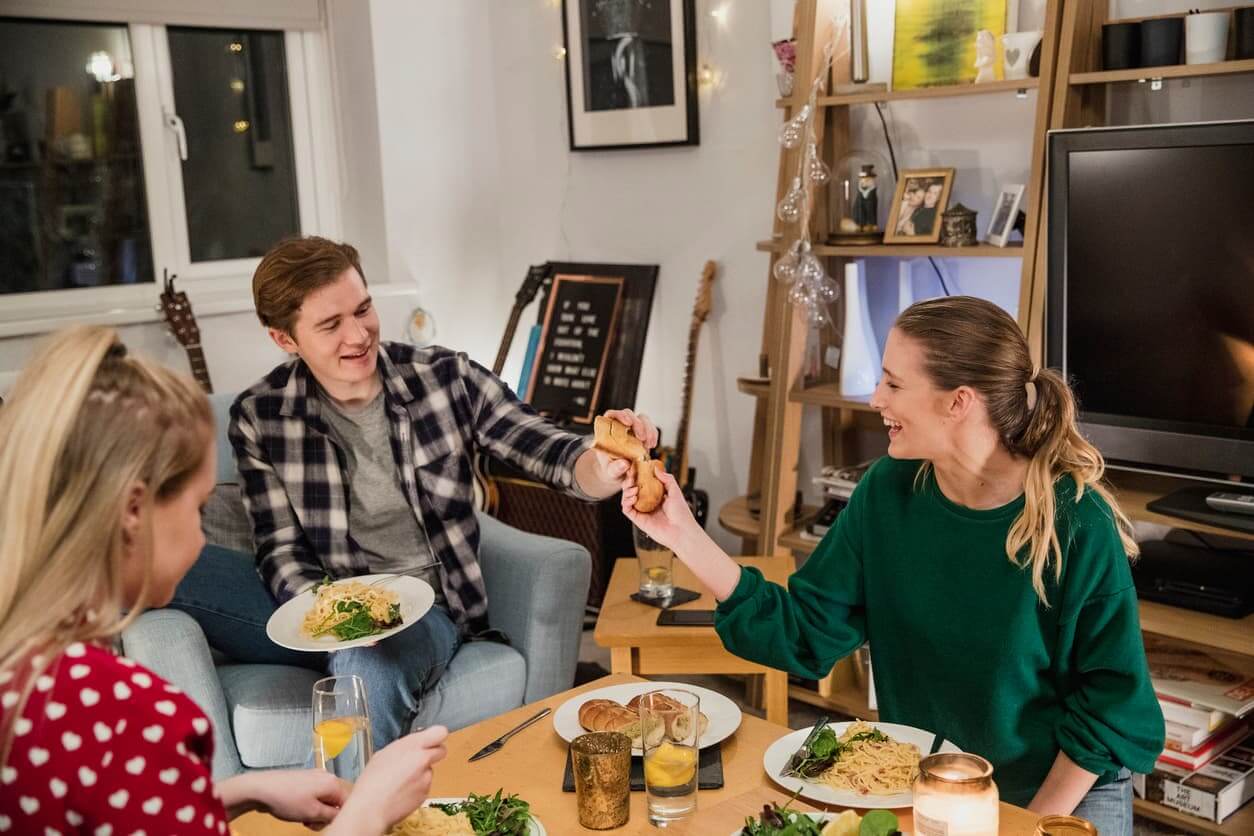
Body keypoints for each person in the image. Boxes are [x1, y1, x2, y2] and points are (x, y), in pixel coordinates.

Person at [621, 296, 1164, 835]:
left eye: (894, 384)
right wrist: (682, 535)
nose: (876, 397)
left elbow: (1112, 711)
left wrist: (1021, 828)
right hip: (927, 785)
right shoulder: (888, 490)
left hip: (1056, 795)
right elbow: (806, 632)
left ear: (959, 402)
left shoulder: (1077, 523)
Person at [172, 236, 654, 752]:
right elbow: (280, 547)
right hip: (319, 605)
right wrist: (331, 615)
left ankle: (356, 819)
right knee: (157, 562)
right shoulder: (261, 414)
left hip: (420, 612)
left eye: (363, 310)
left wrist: (607, 464)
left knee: (362, 667)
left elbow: (553, 452)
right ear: (284, 339)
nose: (358, 335)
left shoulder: (445, 378)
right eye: (331, 325)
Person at [0, 327, 449, 835]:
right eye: (197, 509)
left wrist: (238, 792)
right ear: (133, 511)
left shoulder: (29, 673)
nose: (199, 541)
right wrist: (370, 808)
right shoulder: (130, 710)